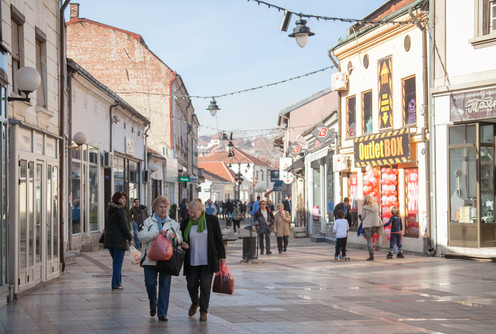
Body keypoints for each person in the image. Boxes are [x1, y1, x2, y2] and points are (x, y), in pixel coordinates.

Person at [138, 196, 185, 322]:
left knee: (165, 285)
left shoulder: (173, 223)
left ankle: (162, 313)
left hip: (166, 259)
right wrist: (156, 233)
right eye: (160, 207)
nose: (163, 209)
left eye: (165, 207)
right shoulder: (148, 221)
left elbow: (180, 239)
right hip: (150, 259)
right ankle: (153, 302)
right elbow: (141, 236)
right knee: (150, 284)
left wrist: (174, 237)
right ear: (155, 208)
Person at [180, 200, 225, 322]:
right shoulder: (185, 223)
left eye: (194, 212)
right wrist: (183, 244)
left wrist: (222, 256)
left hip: (208, 260)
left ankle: (203, 311)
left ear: (201, 210)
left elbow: (218, 238)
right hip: (192, 260)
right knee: (191, 285)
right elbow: (181, 239)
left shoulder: (211, 221)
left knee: (205, 286)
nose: (192, 215)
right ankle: (195, 302)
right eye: (190, 212)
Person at [104, 191, 133, 290]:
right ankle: (116, 284)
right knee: (117, 263)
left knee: (116, 262)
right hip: (119, 240)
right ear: (117, 199)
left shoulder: (110, 209)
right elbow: (124, 226)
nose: (123, 201)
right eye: (121, 198)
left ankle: (118, 282)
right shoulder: (120, 210)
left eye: (125, 198)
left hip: (109, 239)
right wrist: (130, 238)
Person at [361, 195, 382, 261]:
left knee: (369, 240)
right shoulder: (376, 206)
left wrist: (360, 217)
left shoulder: (364, 208)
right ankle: (371, 253)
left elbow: (363, 217)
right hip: (375, 225)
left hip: (368, 225)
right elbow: (379, 214)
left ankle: (371, 255)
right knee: (370, 238)